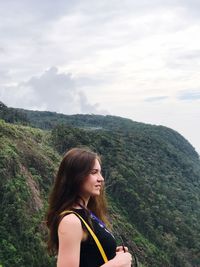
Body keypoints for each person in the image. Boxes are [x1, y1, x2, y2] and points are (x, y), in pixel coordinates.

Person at [46, 147, 132, 267]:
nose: (101, 179)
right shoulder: (71, 221)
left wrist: (111, 253)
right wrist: (117, 263)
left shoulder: (86, 212)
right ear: (76, 177)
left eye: (100, 172)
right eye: (94, 172)